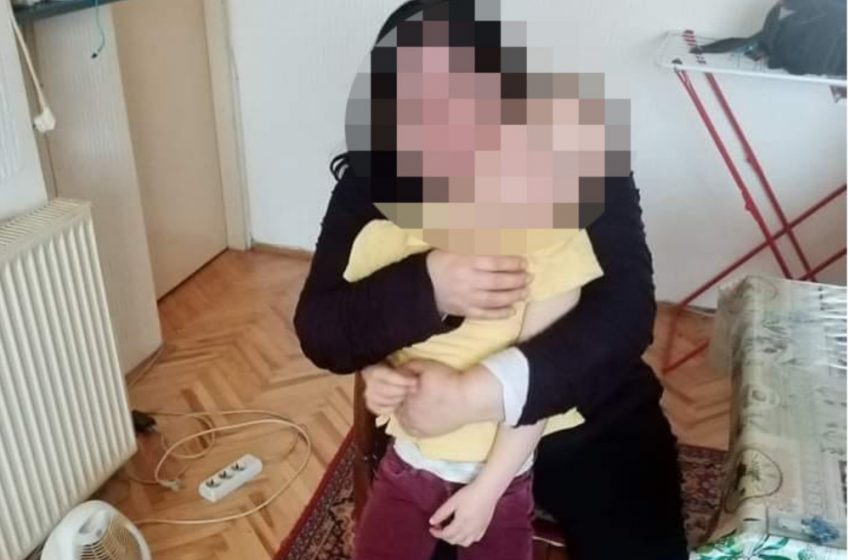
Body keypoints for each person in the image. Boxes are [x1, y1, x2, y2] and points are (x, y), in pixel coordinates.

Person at [295, 2, 689, 559]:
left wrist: (479, 393)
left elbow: (625, 313)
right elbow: (323, 329)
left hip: (580, 407)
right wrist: (430, 284)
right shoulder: (371, 176)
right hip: (432, 434)